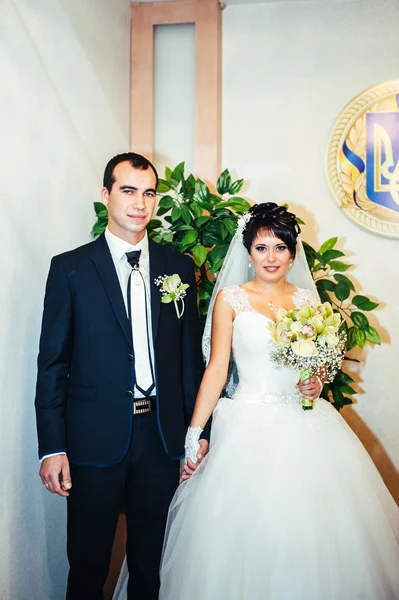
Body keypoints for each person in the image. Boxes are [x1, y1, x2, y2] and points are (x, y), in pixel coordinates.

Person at [158, 203, 399, 600]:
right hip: (247, 425)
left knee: (314, 532)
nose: (271, 258)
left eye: (280, 247)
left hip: (306, 427)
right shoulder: (231, 300)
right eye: (261, 248)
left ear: (292, 251)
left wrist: (317, 383)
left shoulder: (308, 301)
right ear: (248, 251)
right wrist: (195, 433)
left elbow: (316, 366)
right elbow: (217, 368)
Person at [35, 152, 209, 600]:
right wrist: (52, 446)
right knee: (88, 567)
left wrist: (198, 431)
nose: (140, 203)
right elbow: (53, 363)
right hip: (93, 440)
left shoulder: (179, 267)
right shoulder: (70, 268)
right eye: (128, 191)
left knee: (150, 566)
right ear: (106, 195)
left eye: (149, 192)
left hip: (161, 438)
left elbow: (190, 360)